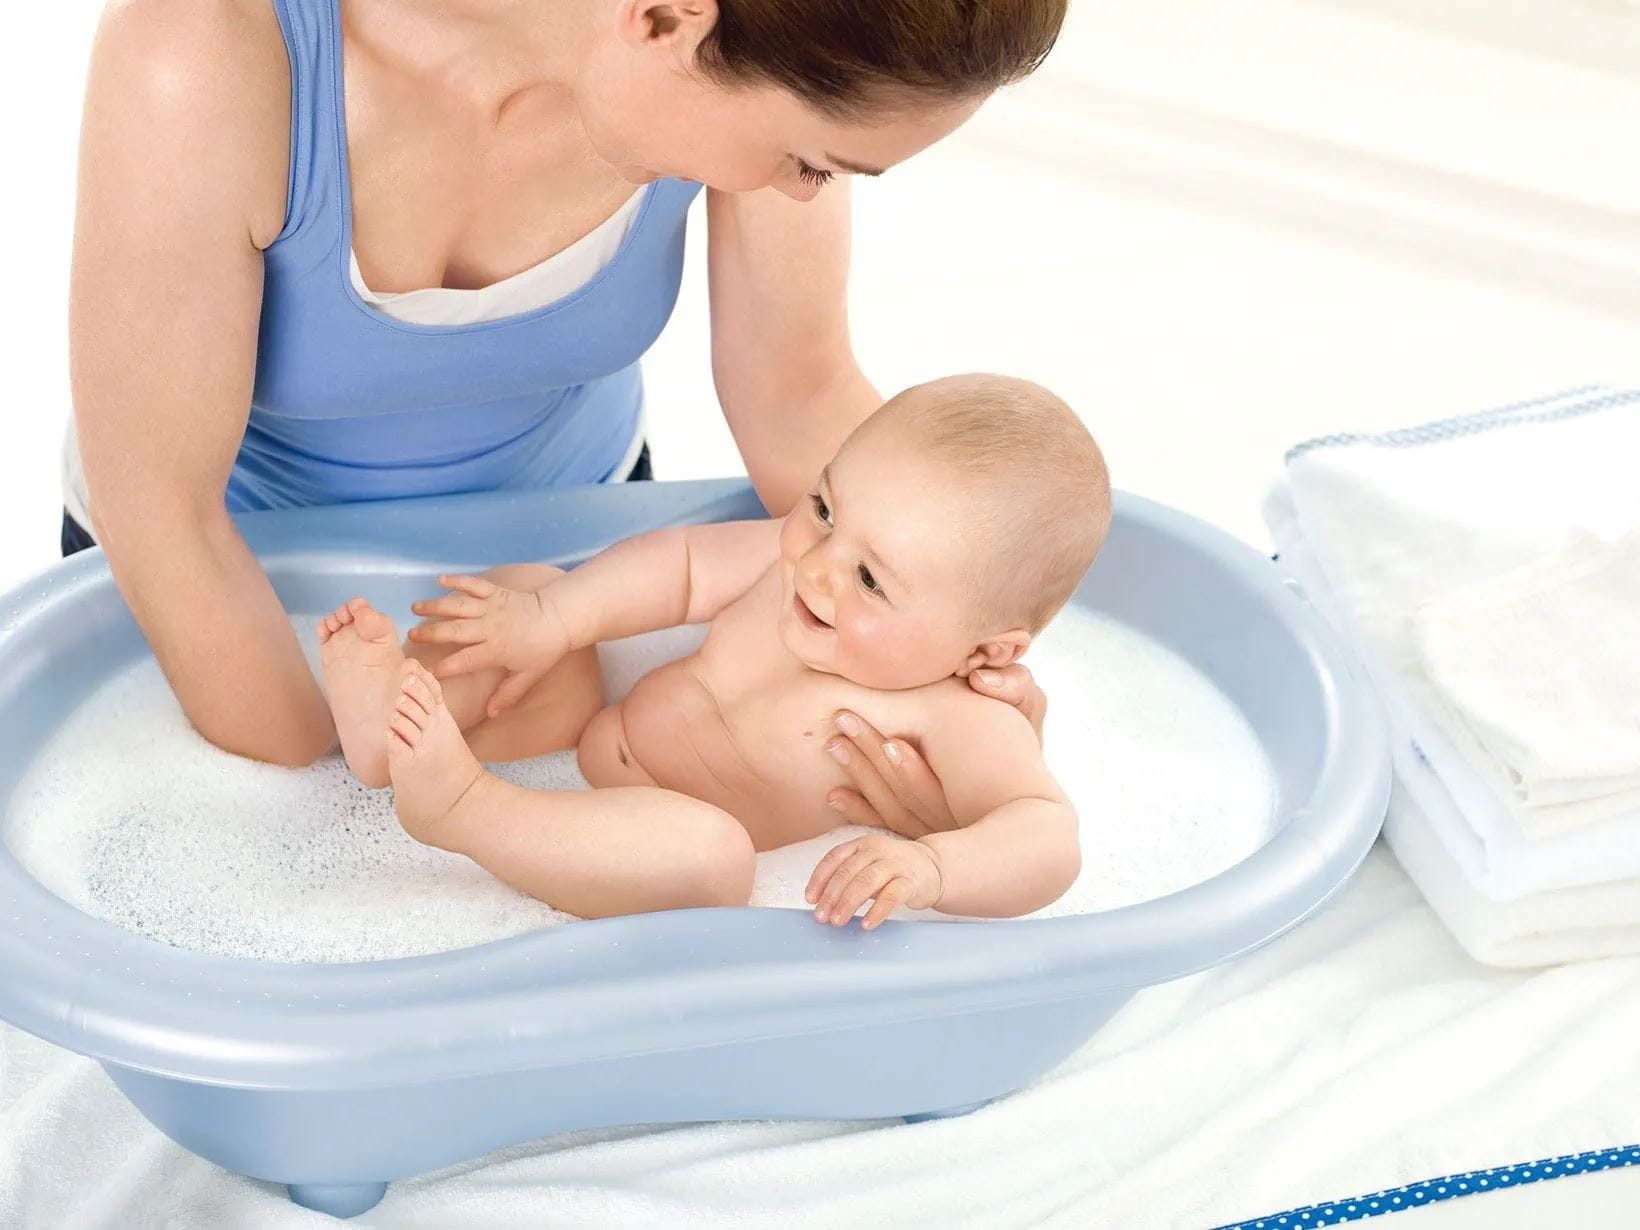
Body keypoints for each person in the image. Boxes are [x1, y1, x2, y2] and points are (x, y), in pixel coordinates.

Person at [64, 0, 1058, 830]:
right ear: (666, 18)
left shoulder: (765, 42)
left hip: (580, 574)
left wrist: (943, 672)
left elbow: (796, 398)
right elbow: (161, 510)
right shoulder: (209, 49)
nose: (804, 191)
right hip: (236, 585)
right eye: (809, 161)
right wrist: (331, 799)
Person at [316, 374, 1109, 927]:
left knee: (712, 860)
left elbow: (1046, 833)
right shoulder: (800, 560)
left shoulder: (957, 716)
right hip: (590, 734)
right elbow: (683, 567)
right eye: (826, 506)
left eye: (871, 579)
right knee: (534, 596)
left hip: (654, 837)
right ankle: (389, 738)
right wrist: (552, 619)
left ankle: (465, 810)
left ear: (989, 645)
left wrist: (939, 868)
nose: (820, 565)